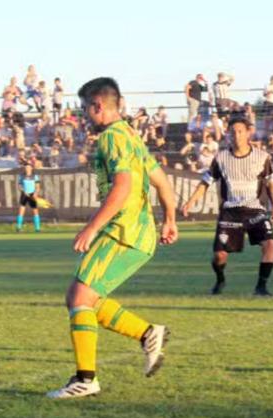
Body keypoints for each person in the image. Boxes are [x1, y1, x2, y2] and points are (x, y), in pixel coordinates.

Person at [47, 77, 178, 399]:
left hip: (123, 231)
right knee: (79, 299)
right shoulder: (131, 136)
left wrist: (91, 228)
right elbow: (161, 182)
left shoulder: (111, 138)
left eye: (85, 109)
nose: (84, 117)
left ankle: (86, 379)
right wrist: (170, 220)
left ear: (98, 106)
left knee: (79, 299)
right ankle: (148, 333)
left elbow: (123, 187)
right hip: (138, 232)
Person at [180, 115, 273, 296]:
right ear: (228, 134)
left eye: (240, 131)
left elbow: (271, 183)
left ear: (248, 133)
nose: (237, 135)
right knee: (220, 256)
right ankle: (220, 279)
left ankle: (261, 287)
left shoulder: (262, 157)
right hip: (230, 212)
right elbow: (205, 183)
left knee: (270, 245)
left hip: (256, 211)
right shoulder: (221, 158)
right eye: (233, 132)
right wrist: (190, 202)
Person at [16, 164, 42, 233]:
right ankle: (18, 228)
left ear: (31, 168)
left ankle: (37, 228)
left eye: (28, 167)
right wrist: (23, 191)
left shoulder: (35, 176)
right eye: (26, 167)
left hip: (32, 195)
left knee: (35, 211)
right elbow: (19, 186)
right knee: (21, 211)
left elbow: (38, 187)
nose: (27, 169)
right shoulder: (21, 176)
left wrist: (35, 193)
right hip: (24, 195)